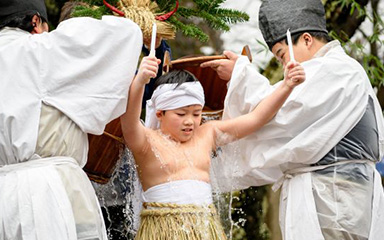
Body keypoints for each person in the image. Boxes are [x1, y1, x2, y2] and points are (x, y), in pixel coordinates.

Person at [201, 0, 384, 239]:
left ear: (307, 40)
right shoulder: (343, 71)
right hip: (340, 198)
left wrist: (241, 76)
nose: (283, 64)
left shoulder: (336, 71)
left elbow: (279, 115)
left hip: (335, 201)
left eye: (281, 54)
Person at [0, 0, 143, 239]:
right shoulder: (38, 49)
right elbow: (125, 34)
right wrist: (138, 18)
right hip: (46, 192)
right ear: (35, 22)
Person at [120, 51, 305, 239]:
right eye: (181, 114)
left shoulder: (207, 134)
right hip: (160, 228)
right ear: (160, 114)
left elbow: (255, 119)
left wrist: (287, 85)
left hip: (205, 228)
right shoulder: (146, 141)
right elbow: (129, 120)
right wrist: (140, 81)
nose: (190, 121)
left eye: (196, 113)